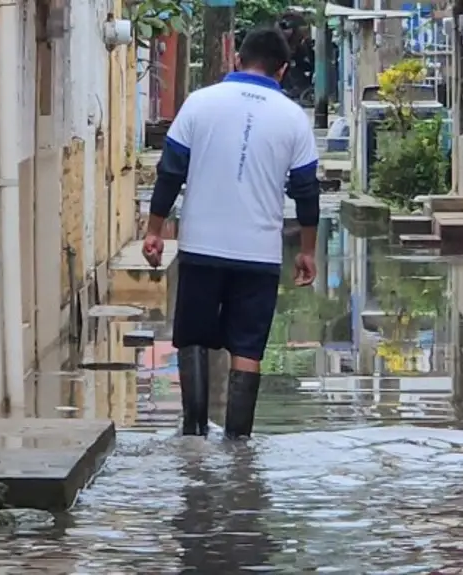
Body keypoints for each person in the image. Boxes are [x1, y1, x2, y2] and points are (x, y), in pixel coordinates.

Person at [141, 27, 320, 439]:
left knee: (193, 338)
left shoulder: (199, 104)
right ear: (283, 70)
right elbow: (306, 191)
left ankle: (194, 433)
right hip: (259, 254)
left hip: (201, 246)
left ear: (237, 59)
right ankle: (239, 445)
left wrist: (154, 230)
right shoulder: (293, 117)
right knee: (247, 347)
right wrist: (307, 250)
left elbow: (170, 171)